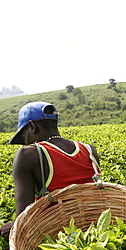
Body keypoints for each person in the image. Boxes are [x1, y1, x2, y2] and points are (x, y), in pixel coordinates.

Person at [0, 101, 101, 240]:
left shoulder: (28, 154)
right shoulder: (89, 150)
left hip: (56, 235)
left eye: (24, 136)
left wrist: (11, 227)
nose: (25, 142)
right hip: (95, 226)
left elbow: (24, 216)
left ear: (32, 126)